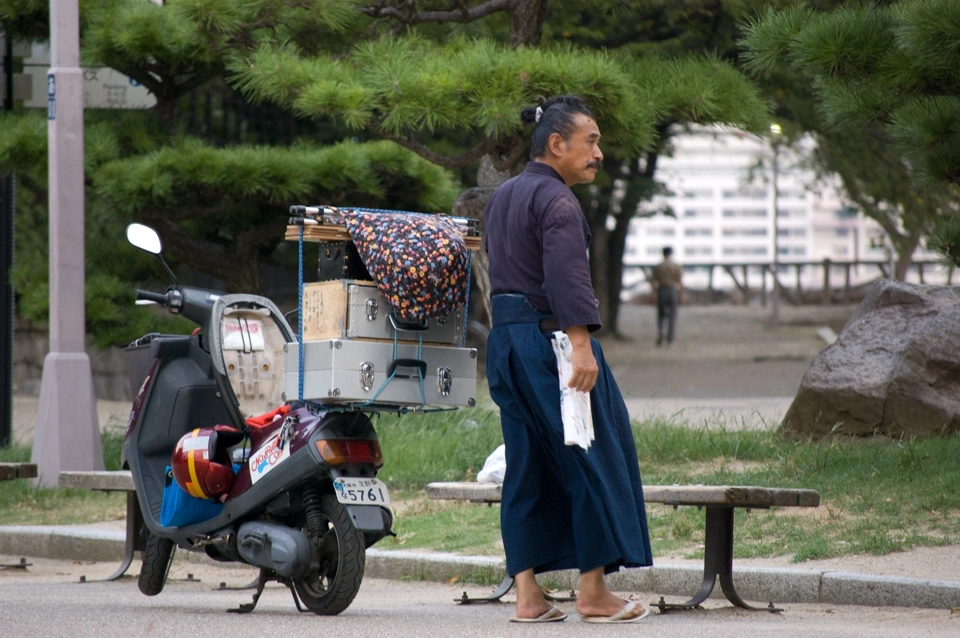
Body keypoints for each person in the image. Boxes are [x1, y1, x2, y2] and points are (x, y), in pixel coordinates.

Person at [483, 95, 653, 624]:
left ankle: (529, 596)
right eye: (592, 140)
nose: (599, 151)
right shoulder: (557, 202)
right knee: (591, 456)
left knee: (527, 465)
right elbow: (564, 278)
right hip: (551, 344)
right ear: (557, 144)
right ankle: (593, 592)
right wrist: (580, 344)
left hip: (507, 344)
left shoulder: (505, 196)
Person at [651, 246, 683, 346]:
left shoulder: (658, 266)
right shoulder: (676, 266)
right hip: (672, 290)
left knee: (661, 315)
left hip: (661, 290)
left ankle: (661, 332)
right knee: (672, 315)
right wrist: (681, 294)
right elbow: (680, 281)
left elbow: (653, 281)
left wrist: (653, 293)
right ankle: (671, 339)